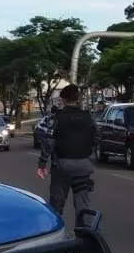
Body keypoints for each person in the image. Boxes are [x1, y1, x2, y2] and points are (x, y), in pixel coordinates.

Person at [36, 83, 97, 218]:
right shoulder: (88, 117)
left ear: (63, 99)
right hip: (83, 165)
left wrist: (42, 164)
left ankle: (57, 234)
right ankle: (85, 234)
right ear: (78, 99)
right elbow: (95, 138)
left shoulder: (56, 118)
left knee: (57, 204)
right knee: (83, 204)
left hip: (62, 165)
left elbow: (48, 142)